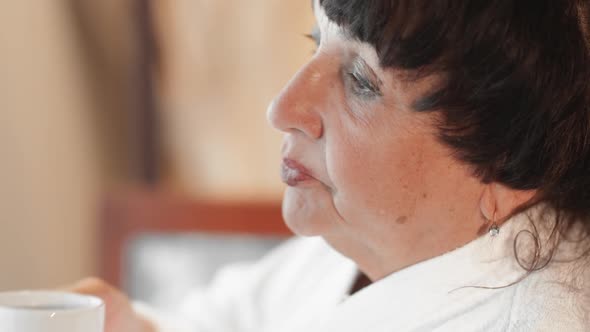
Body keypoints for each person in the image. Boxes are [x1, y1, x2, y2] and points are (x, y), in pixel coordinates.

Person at [70, 0, 590, 331]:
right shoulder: (362, 245)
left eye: (362, 81)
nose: (282, 109)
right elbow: (233, 316)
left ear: (507, 166)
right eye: (316, 42)